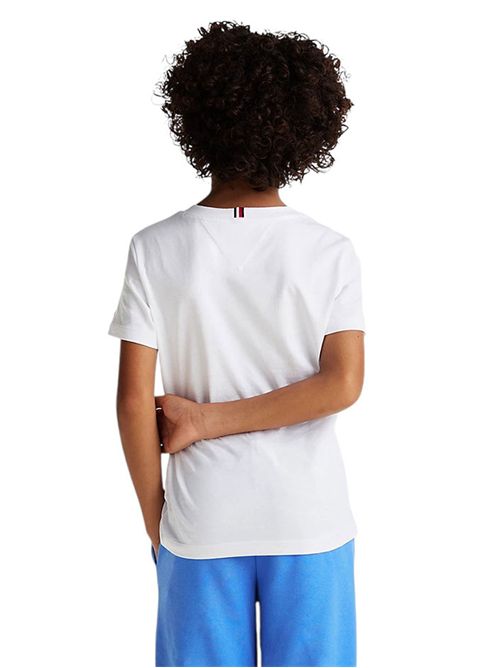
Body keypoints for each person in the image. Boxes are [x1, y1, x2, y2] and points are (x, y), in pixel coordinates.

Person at [108, 20, 366, 668]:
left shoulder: (155, 247)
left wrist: (157, 519)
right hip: (308, 519)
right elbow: (342, 383)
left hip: (202, 518)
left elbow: (134, 403)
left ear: (198, 120)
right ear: (305, 132)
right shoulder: (329, 252)